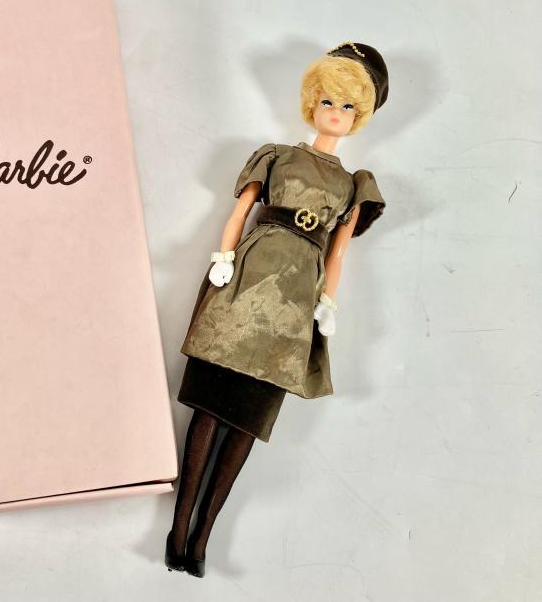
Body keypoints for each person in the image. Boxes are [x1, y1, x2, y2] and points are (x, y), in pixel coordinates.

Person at [164, 41, 390, 578]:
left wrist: (328, 302)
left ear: (359, 116)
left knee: (248, 416)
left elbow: (338, 253)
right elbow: (240, 212)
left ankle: (202, 538)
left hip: (292, 307)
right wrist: (223, 256)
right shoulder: (277, 156)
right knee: (209, 405)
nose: (335, 113)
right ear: (313, 101)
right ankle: (178, 530)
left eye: (348, 107)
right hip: (247, 283)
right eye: (328, 101)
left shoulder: (353, 185)